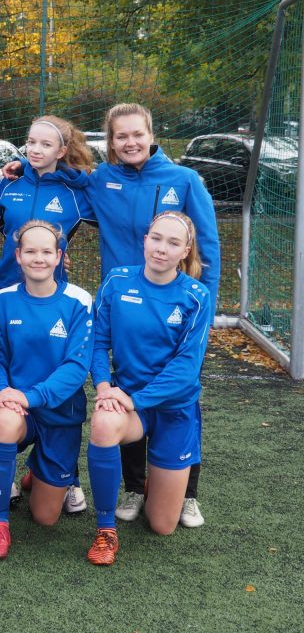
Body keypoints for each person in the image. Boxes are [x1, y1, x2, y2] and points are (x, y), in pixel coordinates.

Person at [88, 103, 219, 528]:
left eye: (137, 134)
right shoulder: (101, 179)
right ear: (111, 141)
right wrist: (16, 167)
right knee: (124, 386)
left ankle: (187, 493)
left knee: (182, 395)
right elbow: (60, 181)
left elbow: (208, 250)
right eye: (121, 136)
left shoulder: (184, 179)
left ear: (151, 134)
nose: (130, 143)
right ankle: (134, 486)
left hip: (176, 310)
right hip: (125, 310)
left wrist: (203, 315)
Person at [85, 211, 210, 565]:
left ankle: (168, 486)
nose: (161, 248)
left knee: (162, 525)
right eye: (156, 238)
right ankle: (106, 530)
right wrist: (105, 387)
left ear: (185, 251)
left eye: (173, 243)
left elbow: (186, 370)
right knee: (103, 423)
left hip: (173, 410)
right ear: (145, 240)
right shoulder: (117, 281)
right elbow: (98, 342)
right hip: (129, 406)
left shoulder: (196, 296)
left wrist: (134, 399)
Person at [0, 221, 93, 559]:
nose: (38, 258)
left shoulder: (79, 301)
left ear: (59, 256)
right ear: (18, 255)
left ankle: (41, 470)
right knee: (3, 422)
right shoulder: (2, 300)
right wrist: (1, 391)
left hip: (60, 414)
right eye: (30, 251)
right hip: (17, 410)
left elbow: (76, 368)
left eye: (46, 251)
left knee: (45, 517)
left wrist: (31, 396)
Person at [0, 115, 93, 290]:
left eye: (46, 144)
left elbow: (115, 224)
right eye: (31, 142)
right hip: (6, 286)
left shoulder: (76, 192)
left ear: (61, 152)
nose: (35, 150)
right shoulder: (10, 182)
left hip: (51, 292)